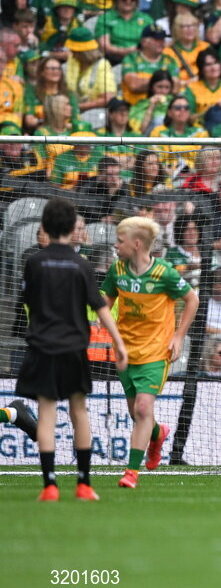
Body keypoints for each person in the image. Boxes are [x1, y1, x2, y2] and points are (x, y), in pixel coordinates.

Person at [15, 198, 125, 502]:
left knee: (47, 414)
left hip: (43, 346)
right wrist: (118, 342)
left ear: (45, 227)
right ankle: (83, 484)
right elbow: (100, 307)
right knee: (79, 412)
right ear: (73, 228)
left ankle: (50, 485)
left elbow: (27, 301)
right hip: (74, 347)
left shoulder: (34, 262)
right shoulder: (81, 265)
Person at [101, 216, 199, 490]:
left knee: (144, 407)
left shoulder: (164, 273)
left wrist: (178, 336)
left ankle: (131, 471)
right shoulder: (117, 270)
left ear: (136, 244)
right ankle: (158, 434)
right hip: (125, 350)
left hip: (156, 351)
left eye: (119, 241)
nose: (115, 245)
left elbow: (192, 299)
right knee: (137, 414)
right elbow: (106, 300)